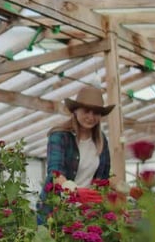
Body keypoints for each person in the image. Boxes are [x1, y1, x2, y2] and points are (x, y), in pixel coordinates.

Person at [37, 85, 115, 222]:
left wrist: (125, 190)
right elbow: (55, 173)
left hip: (87, 213)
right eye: (86, 111)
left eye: (96, 112)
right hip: (56, 211)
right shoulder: (60, 136)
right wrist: (74, 191)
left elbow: (104, 180)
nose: (91, 117)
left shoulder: (101, 141)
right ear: (75, 111)